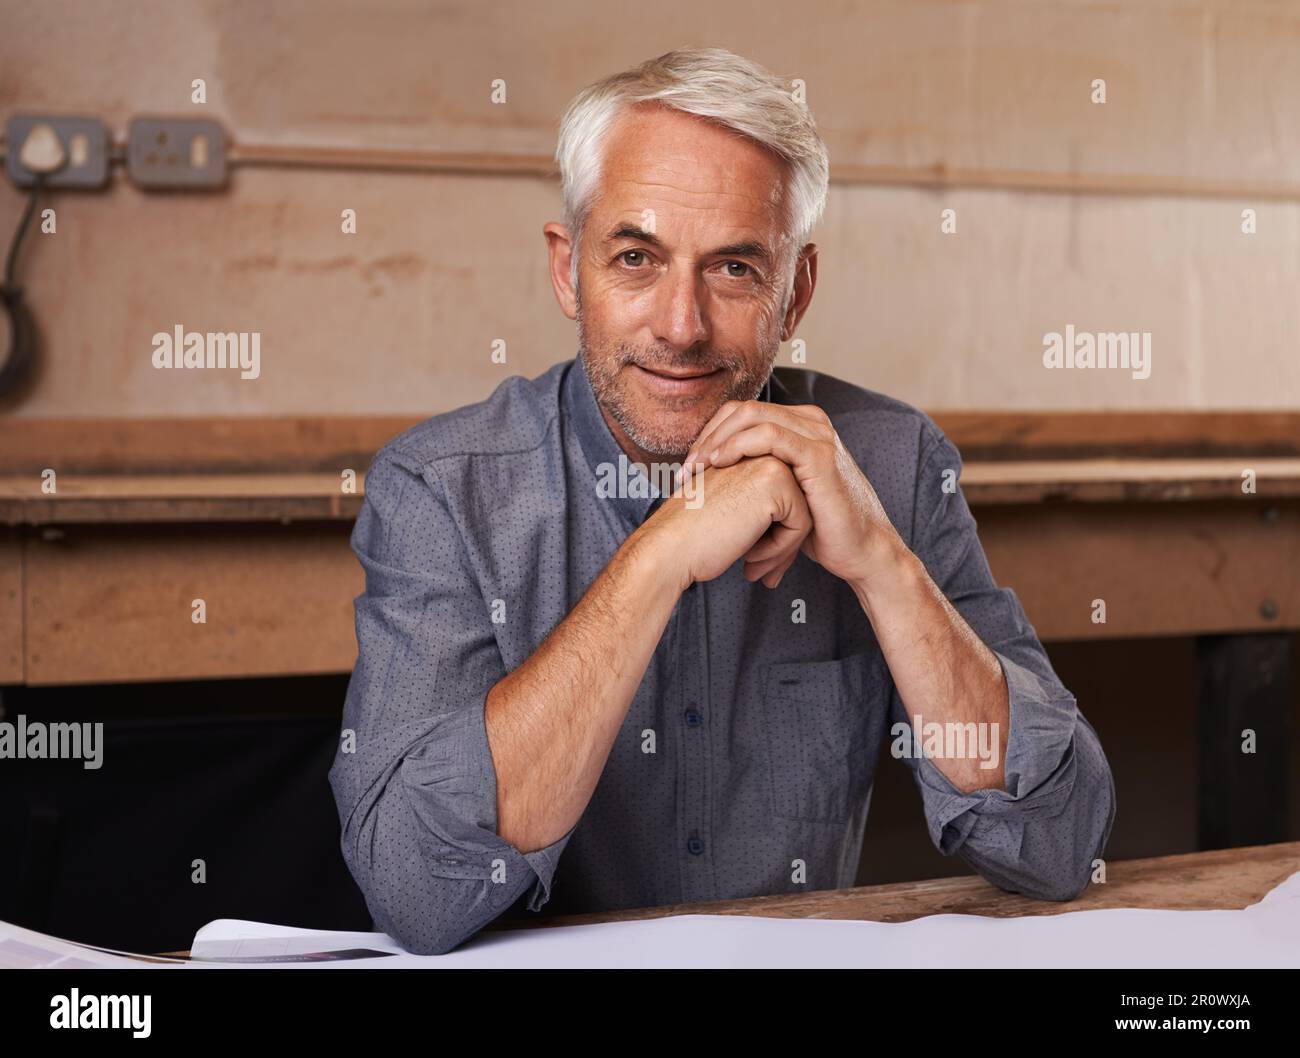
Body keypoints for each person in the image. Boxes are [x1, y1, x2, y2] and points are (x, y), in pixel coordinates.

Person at [328, 46, 1116, 956]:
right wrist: (662, 555)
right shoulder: (441, 490)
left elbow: (1058, 845)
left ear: (796, 291)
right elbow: (416, 890)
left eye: (735, 269)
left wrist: (881, 564)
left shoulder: (893, 467)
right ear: (566, 269)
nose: (681, 325)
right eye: (635, 258)